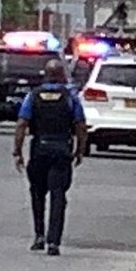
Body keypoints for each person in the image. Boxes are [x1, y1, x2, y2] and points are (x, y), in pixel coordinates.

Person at [12, 58, 88, 257]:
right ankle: (53, 241)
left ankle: (39, 236)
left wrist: (17, 151)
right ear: (62, 75)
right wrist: (80, 150)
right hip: (61, 150)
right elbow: (80, 124)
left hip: (40, 150)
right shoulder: (70, 96)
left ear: (45, 75)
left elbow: (22, 124)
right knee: (58, 196)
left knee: (37, 194)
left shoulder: (33, 96)